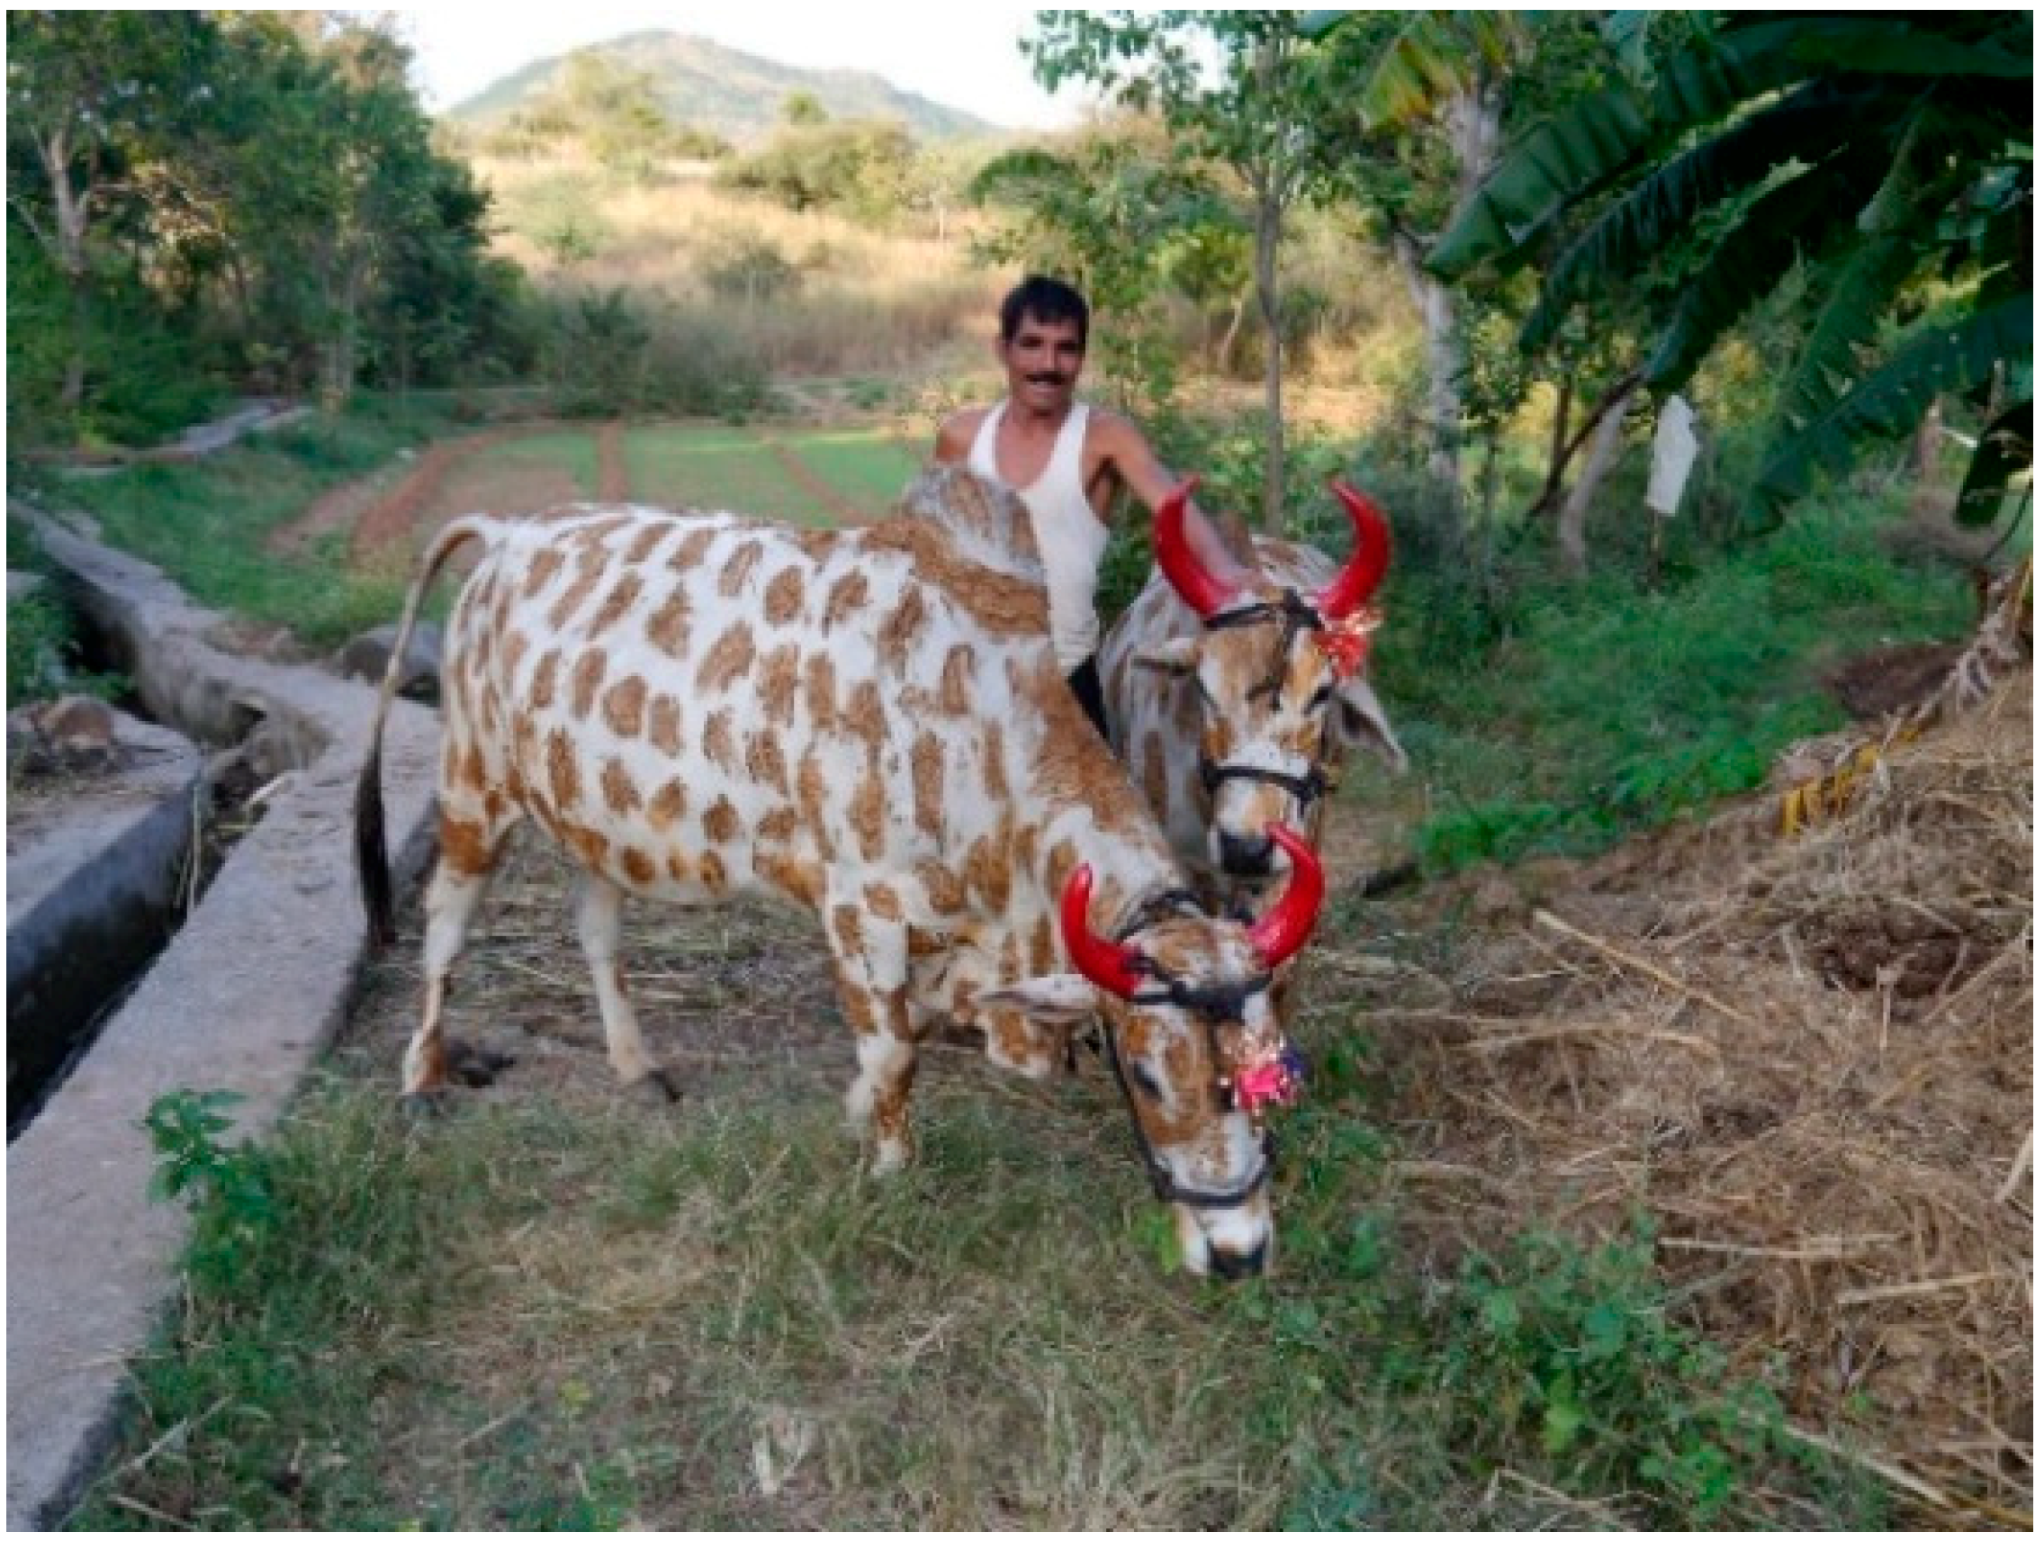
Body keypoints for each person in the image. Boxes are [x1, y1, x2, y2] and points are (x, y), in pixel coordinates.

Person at [933, 274, 1251, 737]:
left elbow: (1173, 509)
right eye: (1032, 344)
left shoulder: (1104, 438)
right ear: (1003, 350)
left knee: (1088, 806)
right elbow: (922, 544)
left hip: (1066, 677)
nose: (1049, 364)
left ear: (1081, 358)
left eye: (1066, 348)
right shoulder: (961, 437)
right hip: (968, 676)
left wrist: (1230, 578)